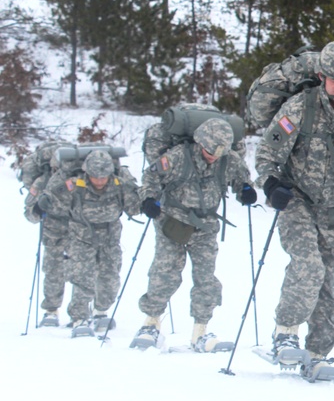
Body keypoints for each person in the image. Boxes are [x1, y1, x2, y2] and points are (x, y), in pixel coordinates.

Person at [255, 40, 334, 380]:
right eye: (333, 78)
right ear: (321, 75)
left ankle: (318, 352)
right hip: (297, 200)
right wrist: (272, 184)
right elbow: (267, 155)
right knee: (308, 264)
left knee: (329, 280)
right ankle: (285, 332)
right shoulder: (298, 108)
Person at [133, 117, 257, 352]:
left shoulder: (227, 160)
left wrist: (246, 190)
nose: (214, 155)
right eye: (211, 150)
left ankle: (201, 330)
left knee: (206, 278)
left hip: (206, 226)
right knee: (165, 273)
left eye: (220, 151)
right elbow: (151, 177)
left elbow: (241, 178)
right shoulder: (178, 157)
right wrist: (148, 199)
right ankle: (151, 323)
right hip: (173, 222)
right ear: (200, 143)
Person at [37, 150, 140, 335]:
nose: (99, 181)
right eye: (95, 177)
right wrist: (43, 203)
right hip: (82, 237)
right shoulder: (76, 185)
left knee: (110, 278)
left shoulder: (119, 184)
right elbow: (56, 202)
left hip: (110, 238)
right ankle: (79, 317)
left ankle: (100, 311)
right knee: (83, 278)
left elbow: (133, 206)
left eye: (103, 177)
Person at [20, 141, 73, 327]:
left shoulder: (80, 178)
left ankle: (83, 310)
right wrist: (37, 209)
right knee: (53, 271)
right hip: (53, 232)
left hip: (81, 230)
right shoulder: (43, 181)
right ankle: (51, 310)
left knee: (85, 271)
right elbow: (30, 213)